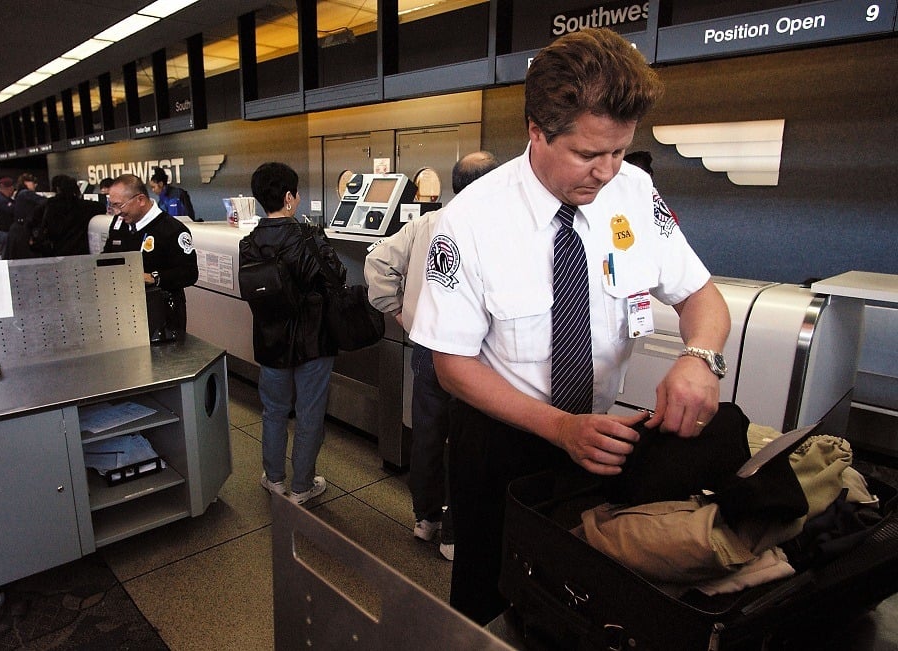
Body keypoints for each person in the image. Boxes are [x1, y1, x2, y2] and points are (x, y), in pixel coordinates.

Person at [409, 27, 731, 625]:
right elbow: (450, 365)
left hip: (598, 438)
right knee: (490, 598)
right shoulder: (470, 221)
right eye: (588, 154)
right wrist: (559, 428)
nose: (607, 171)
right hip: (502, 440)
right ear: (536, 131)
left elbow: (702, 297)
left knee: (576, 599)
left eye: (619, 150)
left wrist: (700, 359)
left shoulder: (634, 192)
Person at [364, 151, 500, 562]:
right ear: (493, 184)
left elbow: (377, 262)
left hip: (427, 347)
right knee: (468, 442)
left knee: (427, 434)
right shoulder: (497, 230)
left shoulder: (426, 223)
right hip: (479, 356)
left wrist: (404, 316)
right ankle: (455, 536)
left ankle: (426, 520)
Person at [239, 162, 346, 505]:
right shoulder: (308, 238)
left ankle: (274, 479)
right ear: (288, 197)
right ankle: (301, 487)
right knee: (309, 412)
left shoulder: (248, 243)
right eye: (296, 193)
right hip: (312, 341)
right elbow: (337, 276)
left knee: (273, 411)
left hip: (271, 341)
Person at [103, 174, 198, 332]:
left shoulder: (172, 229)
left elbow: (189, 273)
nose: (117, 212)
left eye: (119, 205)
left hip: (163, 316)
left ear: (140, 200)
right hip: (125, 312)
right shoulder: (119, 223)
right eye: (112, 205)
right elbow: (108, 255)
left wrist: (153, 278)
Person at [41, 175, 102, 256]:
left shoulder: (50, 205)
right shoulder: (85, 206)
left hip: (58, 253)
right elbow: (101, 207)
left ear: (57, 188)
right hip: (81, 253)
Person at [3, 173, 47, 259]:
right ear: (25, 182)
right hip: (22, 232)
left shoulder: (19, 194)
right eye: (33, 182)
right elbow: (43, 201)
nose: (35, 185)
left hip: (17, 231)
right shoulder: (25, 193)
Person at [0, 176, 15, 256]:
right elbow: (12, 210)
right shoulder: (0, 199)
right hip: (4, 232)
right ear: (9, 188)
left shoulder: (6, 199)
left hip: (5, 231)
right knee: (6, 255)